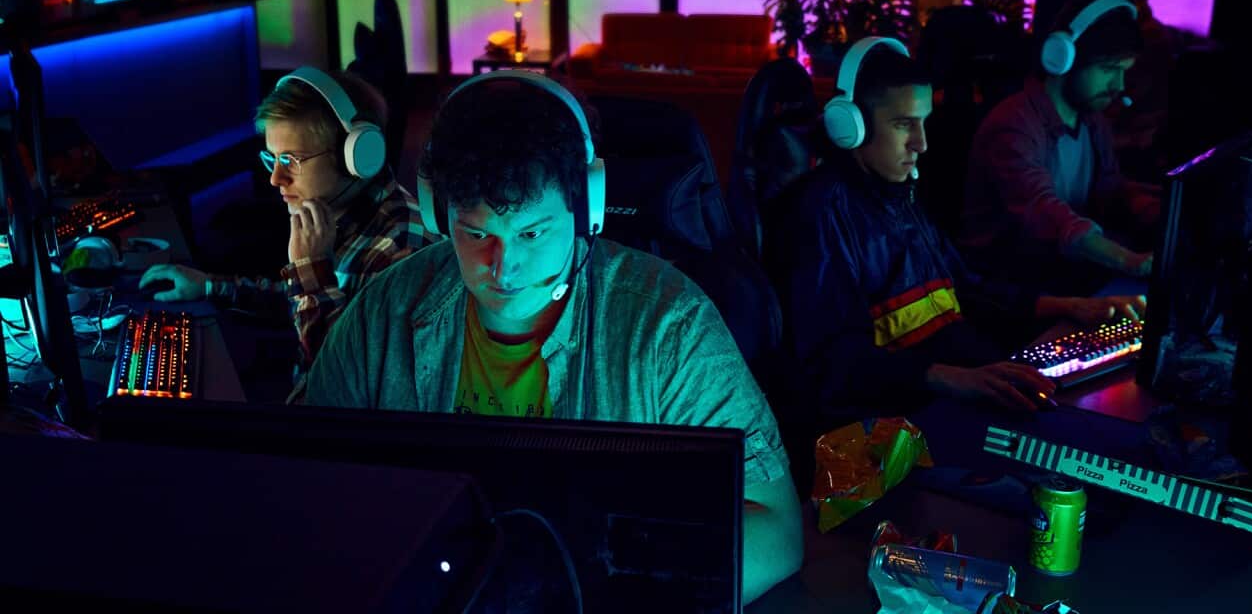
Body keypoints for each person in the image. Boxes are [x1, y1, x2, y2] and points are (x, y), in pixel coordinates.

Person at [302, 71, 802, 604]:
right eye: (476, 234)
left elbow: (777, 529)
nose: (505, 267)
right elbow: (315, 488)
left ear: (586, 207)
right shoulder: (384, 314)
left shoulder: (668, 328)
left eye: (533, 233)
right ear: (436, 211)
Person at [767, 38, 1147, 434]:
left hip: (956, 386)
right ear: (850, 127)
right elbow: (833, 359)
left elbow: (965, 288)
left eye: (923, 123)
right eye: (903, 125)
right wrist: (953, 378)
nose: (922, 143)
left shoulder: (899, 195)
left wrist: (1067, 307)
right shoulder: (822, 213)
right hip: (901, 421)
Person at [140, 67, 427, 380]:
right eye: (272, 159)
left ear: (357, 155)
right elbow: (298, 300)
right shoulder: (336, 214)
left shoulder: (397, 252)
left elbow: (344, 377)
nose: (276, 179)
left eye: (291, 160)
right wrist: (210, 286)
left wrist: (311, 264)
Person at [961, 0, 1163, 296]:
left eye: (1123, 71)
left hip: (1063, 278)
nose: (1118, 86)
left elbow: (1110, 191)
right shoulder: (1014, 125)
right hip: (1009, 292)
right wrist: (1130, 261)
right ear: (1063, 57)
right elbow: (1046, 212)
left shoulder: (1093, 121)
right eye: (1109, 69)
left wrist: (1156, 211)